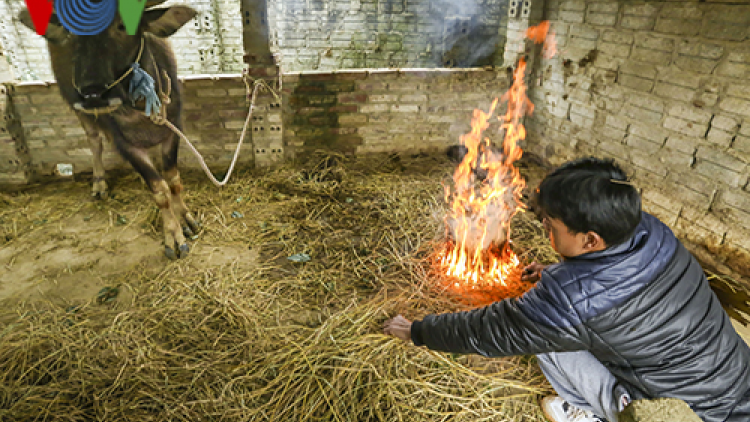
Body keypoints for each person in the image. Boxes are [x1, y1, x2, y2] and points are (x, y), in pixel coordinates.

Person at [383, 156, 750, 422]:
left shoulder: (566, 303)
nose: (544, 229)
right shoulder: (650, 230)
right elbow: (611, 281)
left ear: (590, 239)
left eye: (549, 226)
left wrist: (416, 331)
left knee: (545, 340)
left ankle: (597, 412)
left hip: (685, 413)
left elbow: (490, 330)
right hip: (735, 377)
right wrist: (558, 274)